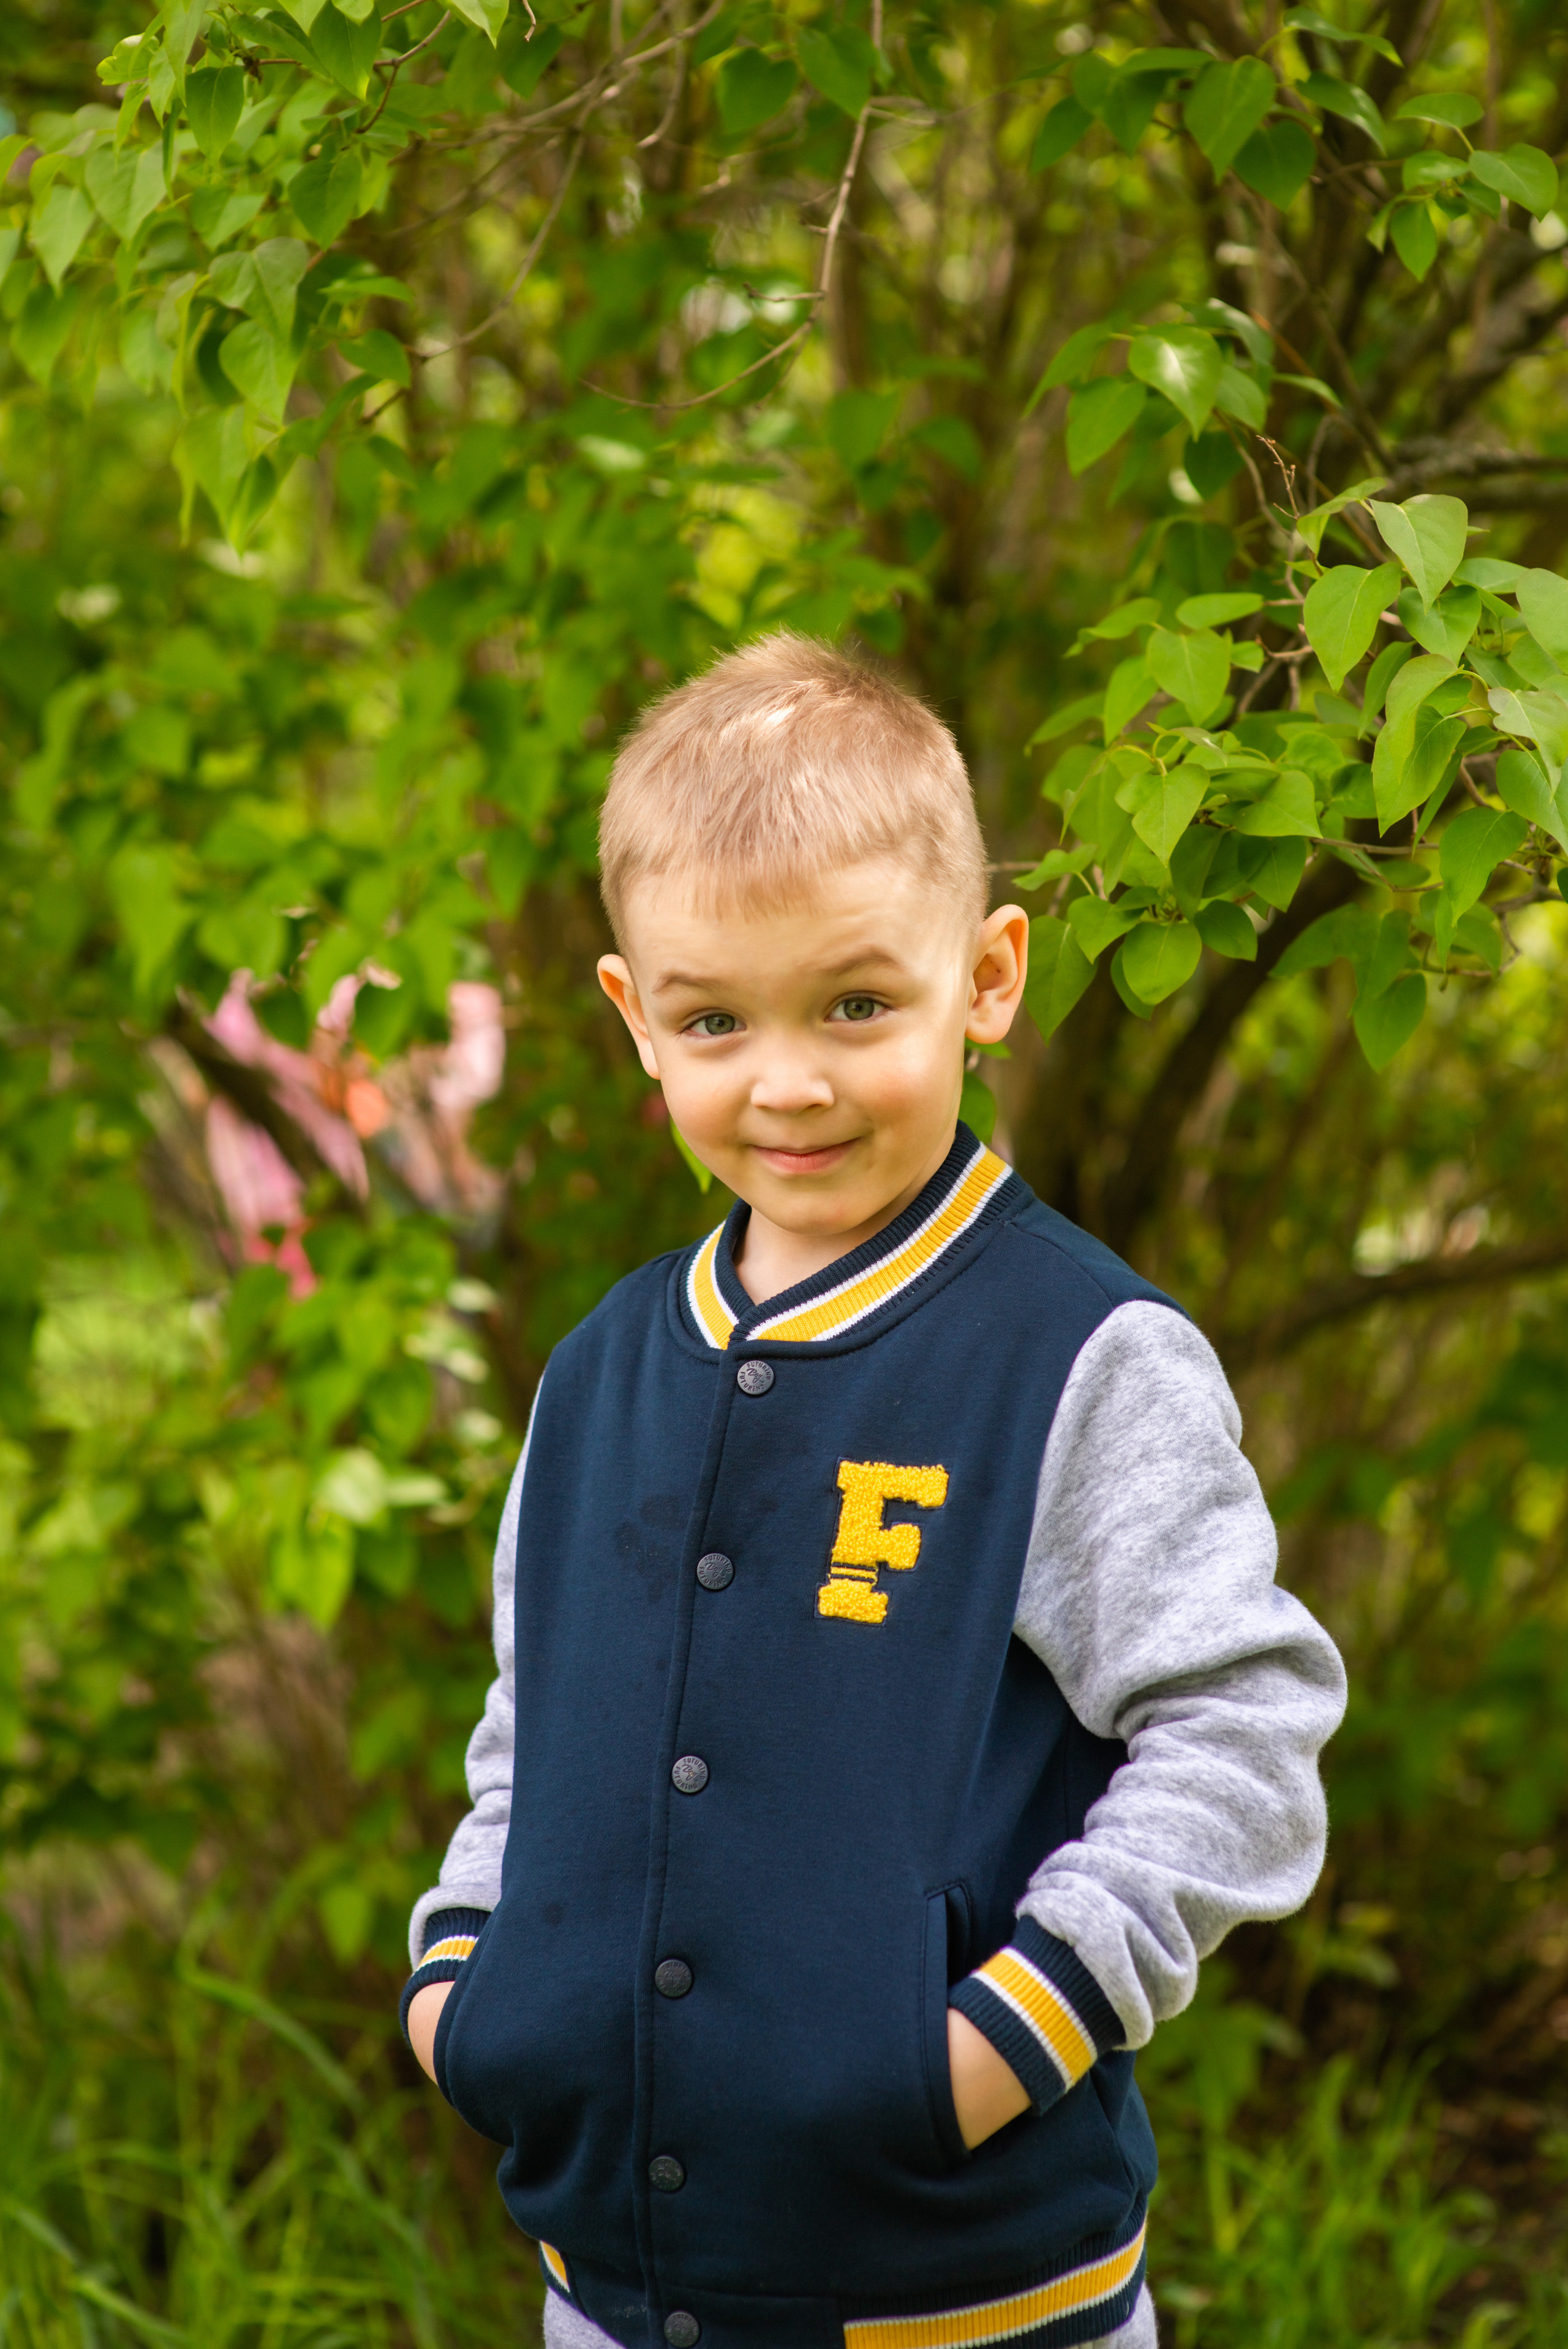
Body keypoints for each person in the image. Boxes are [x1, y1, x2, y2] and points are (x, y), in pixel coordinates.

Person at [400, 633, 1347, 2349]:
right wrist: (465, 1978)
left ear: (985, 975)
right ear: (635, 1017)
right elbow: (533, 1729)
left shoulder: (1079, 1353)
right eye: (715, 1017)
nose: (789, 1079)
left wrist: (995, 2037)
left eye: (855, 1001)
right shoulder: (600, 1370)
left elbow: (1247, 1725)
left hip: (972, 2300)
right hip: (611, 2299)